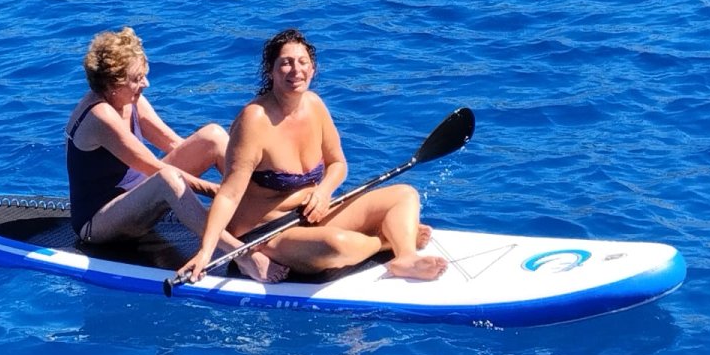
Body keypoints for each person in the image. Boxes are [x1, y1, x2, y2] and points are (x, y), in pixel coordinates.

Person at [179, 28, 447, 283]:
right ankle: (384, 241)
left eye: (303, 62)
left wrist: (324, 192)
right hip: (267, 232)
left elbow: (338, 163)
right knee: (337, 245)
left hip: (313, 214)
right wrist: (206, 251)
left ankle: (406, 257)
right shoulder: (254, 120)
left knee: (405, 194)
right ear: (270, 71)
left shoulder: (315, 106)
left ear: (313, 68)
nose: (296, 70)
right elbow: (229, 194)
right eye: (285, 63)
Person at [66, 27, 287, 283]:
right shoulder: (100, 117)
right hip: (99, 223)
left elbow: (174, 143)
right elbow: (154, 169)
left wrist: (236, 187)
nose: (145, 84)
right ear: (113, 85)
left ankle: (270, 205)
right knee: (168, 179)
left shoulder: (131, 101)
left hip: (137, 196)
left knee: (212, 136)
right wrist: (221, 192)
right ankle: (242, 255)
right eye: (137, 79)